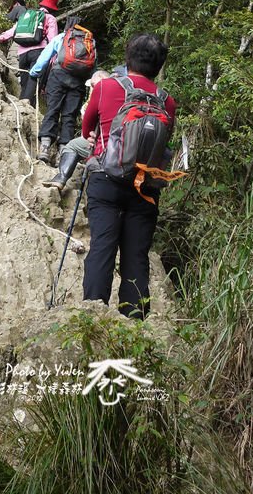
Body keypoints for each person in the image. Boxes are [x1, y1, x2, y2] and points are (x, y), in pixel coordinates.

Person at [80, 33, 177, 319]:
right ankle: (134, 324)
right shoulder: (166, 102)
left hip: (106, 180)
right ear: (158, 67)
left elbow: (87, 129)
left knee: (102, 249)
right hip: (145, 188)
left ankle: (94, 318)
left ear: (127, 58)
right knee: (136, 256)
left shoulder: (106, 87)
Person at [28, 16, 95, 163]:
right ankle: (64, 153)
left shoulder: (62, 37)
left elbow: (45, 57)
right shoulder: (90, 42)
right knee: (69, 116)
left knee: (52, 109)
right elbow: (93, 66)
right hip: (78, 82)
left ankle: (45, 147)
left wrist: (34, 72)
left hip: (58, 77)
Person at [42, 70, 110, 191]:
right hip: (124, 147)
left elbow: (86, 131)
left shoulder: (96, 98)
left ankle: (61, 178)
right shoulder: (119, 95)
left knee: (73, 146)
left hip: (103, 145)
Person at [0, 0, 59, 105]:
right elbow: (52, 41)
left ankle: (21, 106)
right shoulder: (50, 18)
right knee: (33, 83)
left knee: (24, 83)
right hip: (39, 53)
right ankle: (27, 109)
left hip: (22, 53)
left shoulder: (27, 15)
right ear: (52, 8)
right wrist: (52, 61)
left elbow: (13, 31)